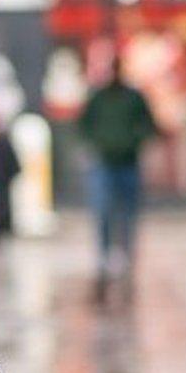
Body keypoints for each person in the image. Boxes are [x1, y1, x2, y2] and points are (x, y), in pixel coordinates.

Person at [78, 53, 158, 299]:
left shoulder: (134, 98)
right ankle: (105, 256)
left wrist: (134, 140)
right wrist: (96, 145)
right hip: (104, 162)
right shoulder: (98, 97)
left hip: (128, 163)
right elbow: (84, 125)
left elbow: (149, 125)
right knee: (103, 211)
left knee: (127, 213)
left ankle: (126, 255)